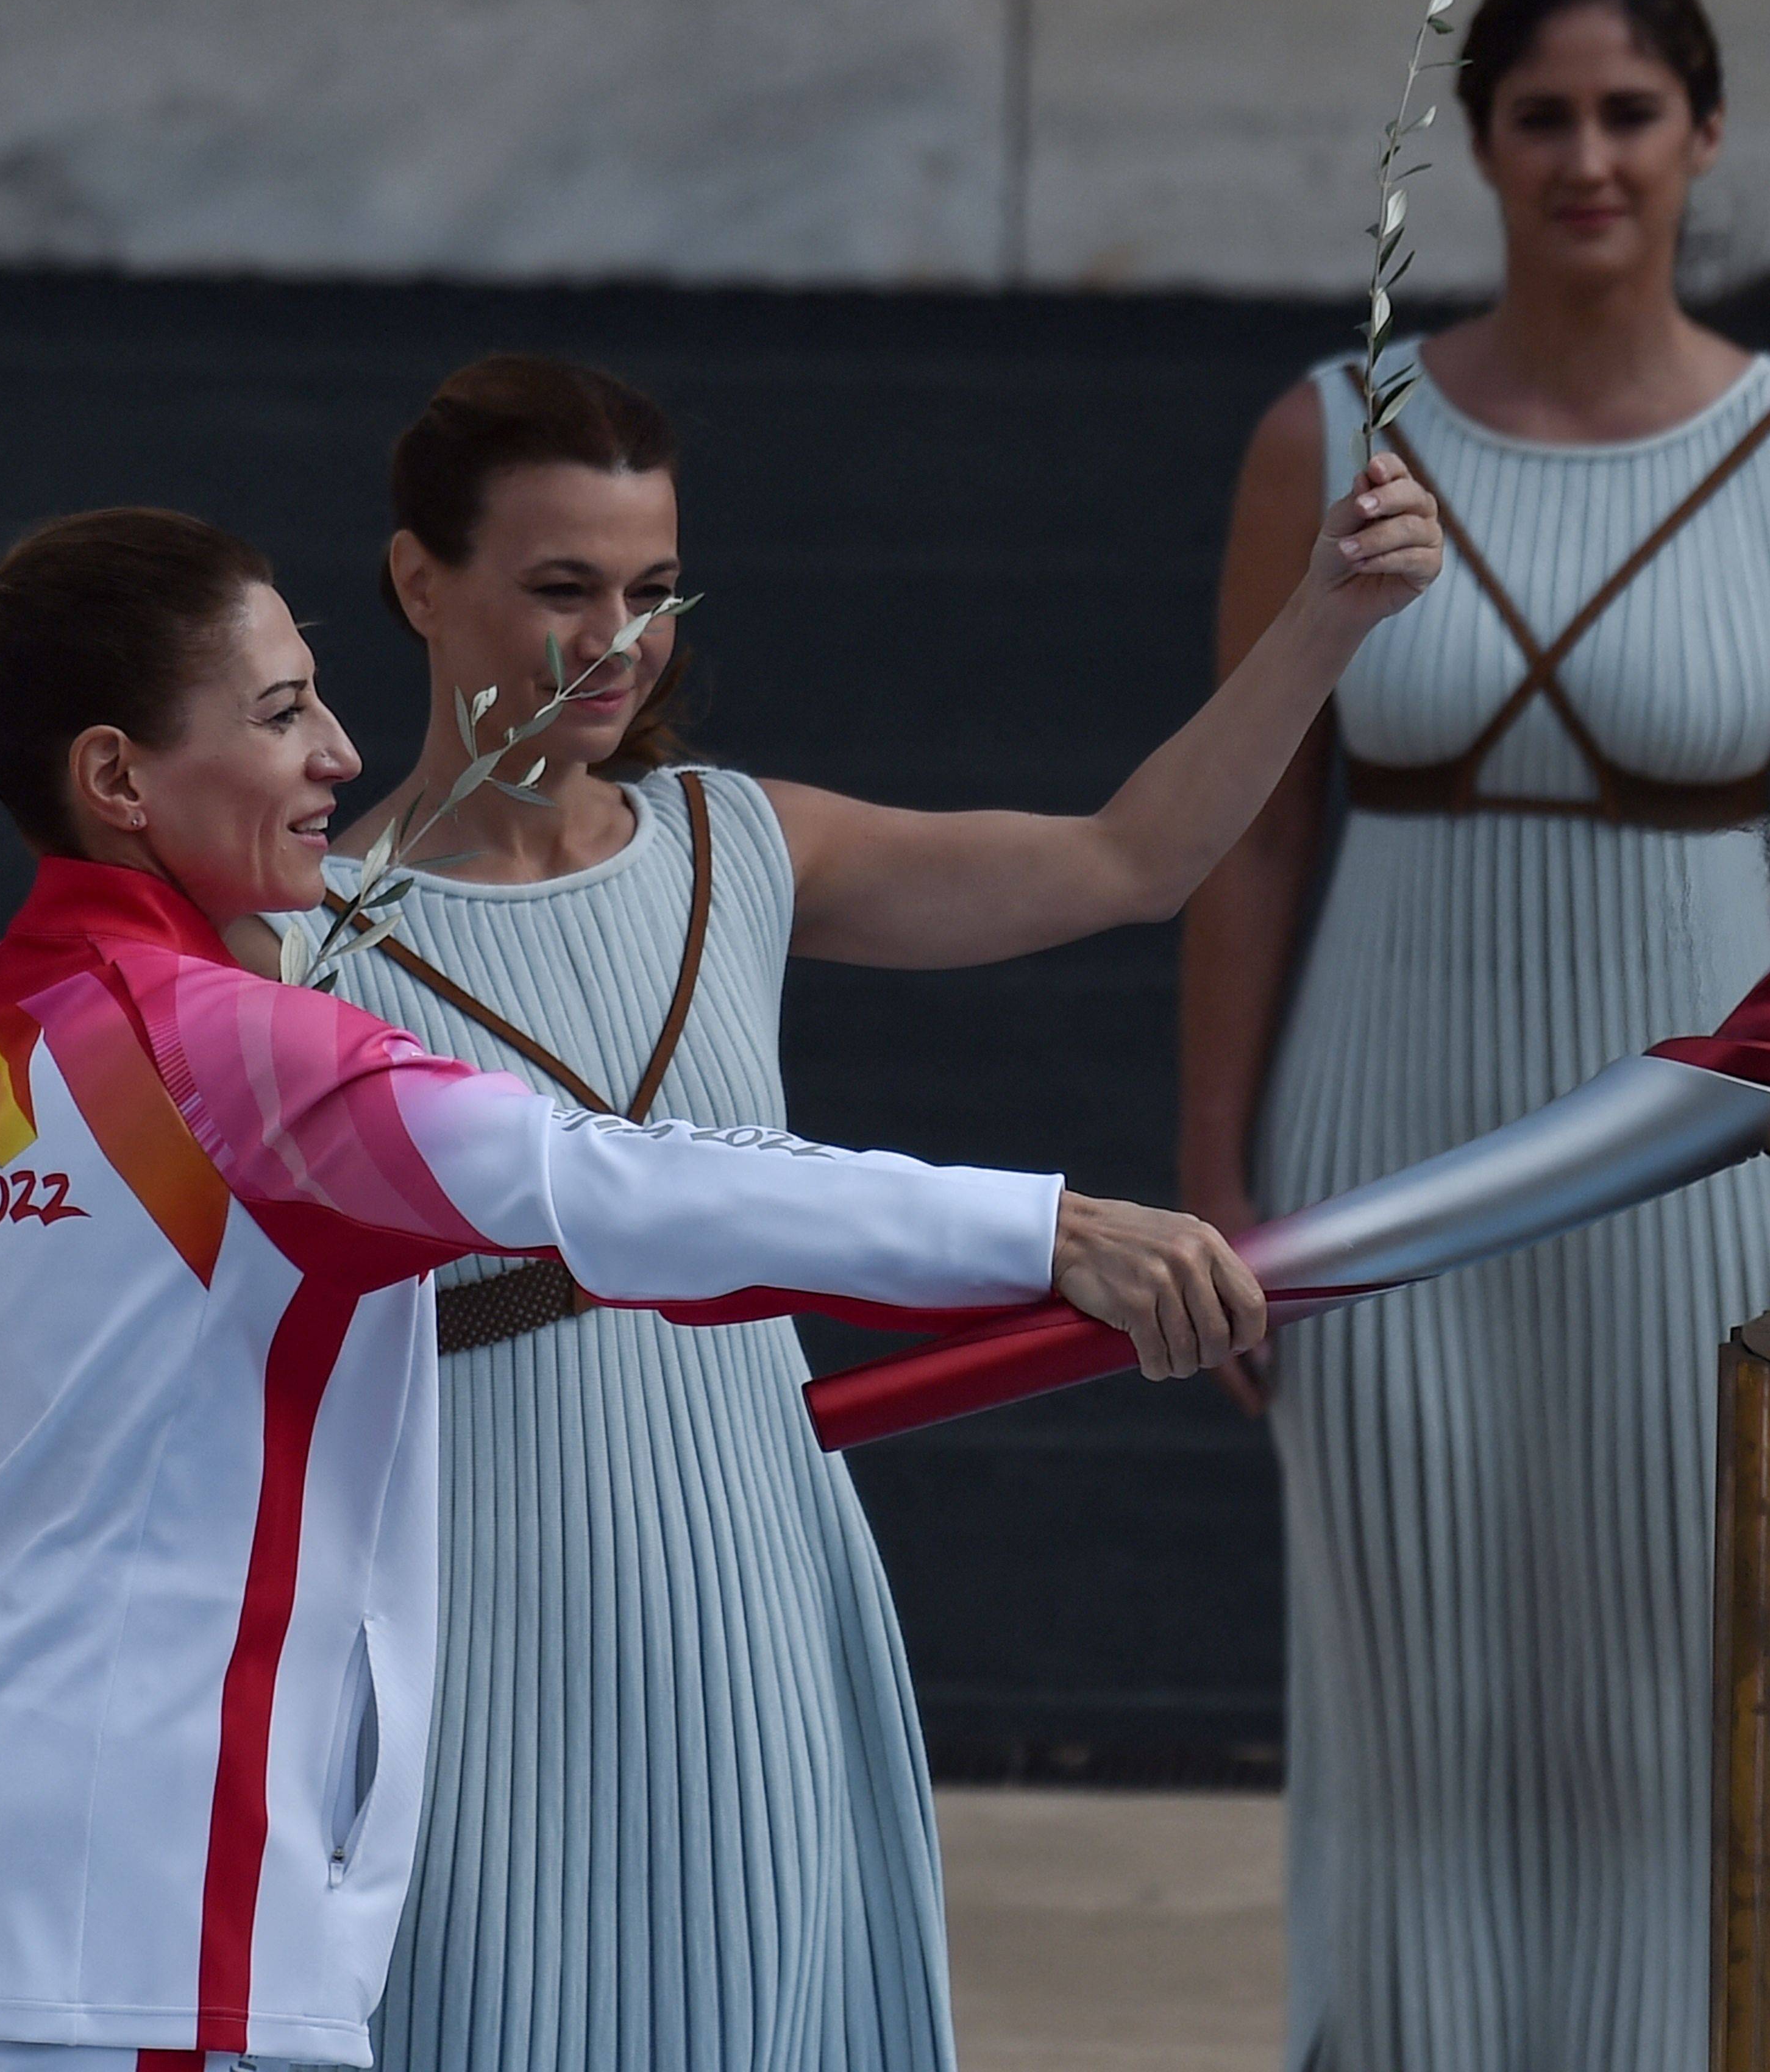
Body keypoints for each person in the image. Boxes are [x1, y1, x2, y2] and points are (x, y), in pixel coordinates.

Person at [0, 507, 1270, 2072]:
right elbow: (620, 1186)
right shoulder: (240, 1054)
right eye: (278, 714)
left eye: (318, 693)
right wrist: (1044, 1228)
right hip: (175, 1942)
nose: (337, 749)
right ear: (118, 777)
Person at [243, 355, 1437, 2072]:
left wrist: (1331, 615)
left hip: (751, 1554)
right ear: (422, 582)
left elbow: (1129, 862)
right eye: (559, 588)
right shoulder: (301, 941)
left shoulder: (736, 845)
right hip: (465, 1585)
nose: (615, 640)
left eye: (650, 591)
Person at [1176, 0, 1770, 2070]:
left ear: (1700, 137)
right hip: (1378, 1132)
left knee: (1672, 1673)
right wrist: (1217, 1172)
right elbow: (1245, 832)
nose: (1586, 158)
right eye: (1541, 116)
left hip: (1690, 1149)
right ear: (1479, 144)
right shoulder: (1328, 431)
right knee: (1403, 1677)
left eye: (1628, 114)